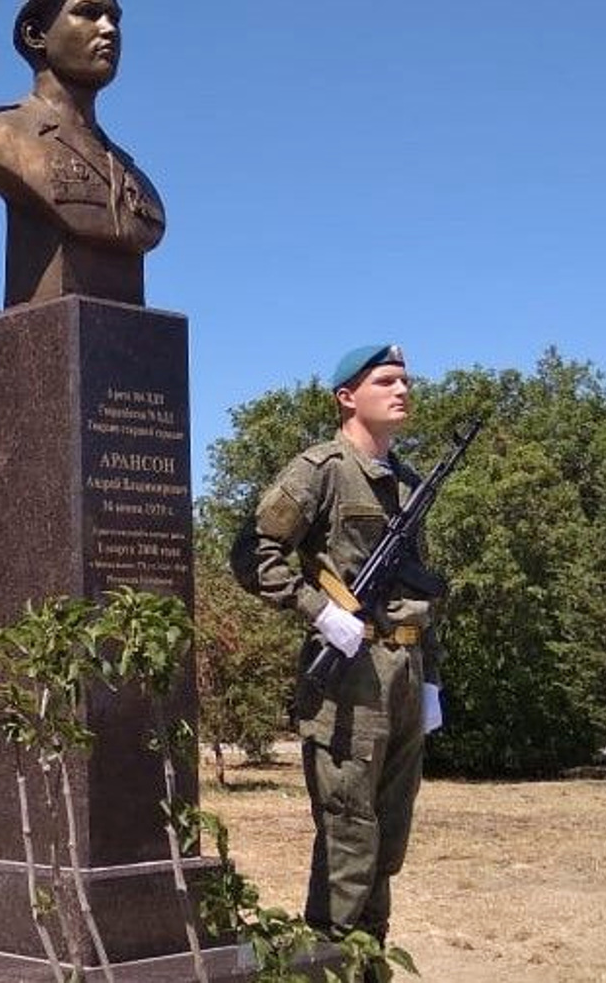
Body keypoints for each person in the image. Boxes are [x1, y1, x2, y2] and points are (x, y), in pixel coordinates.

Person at [230, 343, 446, 952]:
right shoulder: (321, 469)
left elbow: (420, 584)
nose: (402, 390)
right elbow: (253, 553)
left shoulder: (406, 482)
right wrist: (319, 610)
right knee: (349, 831)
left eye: (406, 380)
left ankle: (369, 955)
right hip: (349, 672)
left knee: (390, 832)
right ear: (348, 397)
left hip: (404, 668)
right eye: (386, 380)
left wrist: (431, 678)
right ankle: (332, 956)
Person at [0, 0, 166, 307]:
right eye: (88, 13)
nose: (109, 29)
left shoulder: (137, 181)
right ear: (36, 35)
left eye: (114, 18)